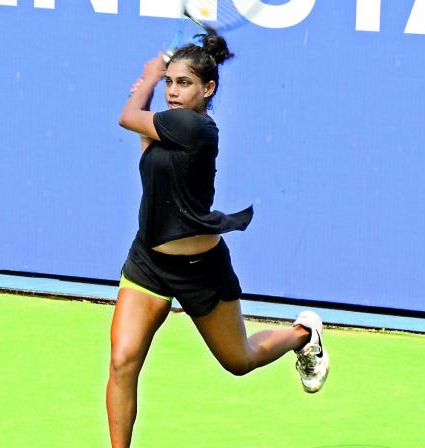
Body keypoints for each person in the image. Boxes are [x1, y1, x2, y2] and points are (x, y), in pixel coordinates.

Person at [107, 30, 330, 448]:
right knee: (122, 362)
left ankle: (304, 334)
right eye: (171, 82)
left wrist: (150, 78)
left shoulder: (196, 129)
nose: (173, 92)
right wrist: (150, 86)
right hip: (148, 263)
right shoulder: (167, 128)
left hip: (200, 271)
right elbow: (147, 153)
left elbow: (128, 116)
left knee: (239, 360)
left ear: (208, 89)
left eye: (184, 83)